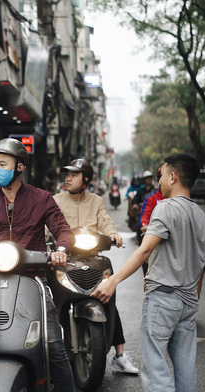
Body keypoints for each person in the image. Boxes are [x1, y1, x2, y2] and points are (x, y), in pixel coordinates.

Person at [0, 138, 76, 392]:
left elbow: (63, 230)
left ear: (20, 167)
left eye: (3, 164)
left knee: (53, 344)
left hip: (33, 280)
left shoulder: (42, 198)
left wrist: (61, 249)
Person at [91, 153, 205, 392]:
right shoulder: (199, 214)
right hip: (188, 302)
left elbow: (144, 250)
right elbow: (203, 261)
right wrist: (193, 297)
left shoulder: (165, 208)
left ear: (173, 177)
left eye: (163, 175)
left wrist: (112, 281)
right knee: (186, 369)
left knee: (156, 371)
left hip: (164, 299)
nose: (159, 181)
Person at [54, 159, 139, 375]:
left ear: (86, 180)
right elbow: (49, 223)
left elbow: (105, 221)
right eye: (67, 174)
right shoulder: (55, 200)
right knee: (50, 300)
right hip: (63, 257)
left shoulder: (96, 201)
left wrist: (114, 234)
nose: (68, 178)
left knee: (106, 297)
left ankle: (120, 354)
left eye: (74, 174)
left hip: (91, 258)